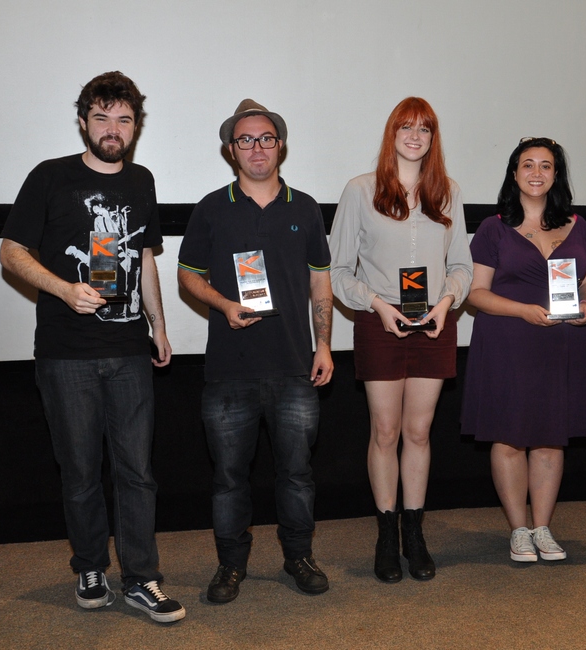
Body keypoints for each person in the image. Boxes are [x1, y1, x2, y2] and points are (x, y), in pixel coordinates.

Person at [0, 71, 184, 622]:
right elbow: (11, 251)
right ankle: (88, 565)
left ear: (135, 127)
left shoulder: (143, 181)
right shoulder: (50, 177)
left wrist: (160, 326)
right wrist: (62, 288)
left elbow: (147, 258)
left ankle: (142, 578)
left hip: (129, 349)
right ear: (83, 121)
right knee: (79, 470)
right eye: (101, 117)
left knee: (137, 471)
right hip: (65, 353)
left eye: (123, 119)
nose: (112, 128)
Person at [177, 99, 334, 602]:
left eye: (266, 137)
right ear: (231, 150)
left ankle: (299, 557)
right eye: (245, 139)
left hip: (294, 368)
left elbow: (321, 284)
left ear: (280, 145)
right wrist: (223, 304)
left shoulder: (305, 207)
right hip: (229, 372)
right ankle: (230, 567)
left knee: (297, 474)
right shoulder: (210, 207)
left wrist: (326, 345)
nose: (257, 147)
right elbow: (187, 275)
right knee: (228, 479)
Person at [329, 97, 472, 582]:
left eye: (425, 129)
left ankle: (415, 532)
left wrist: (447, 302)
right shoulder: (360, 191)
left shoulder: (447, 192)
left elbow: (462, 266)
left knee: (418, 433)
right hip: (379, 323)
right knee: (385, 432)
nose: (416, 136)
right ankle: (386, 533)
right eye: (406, 127)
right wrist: (377, 304)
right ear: (392, 134)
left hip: (434, 324)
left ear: (434, 139)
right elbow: (339, 272)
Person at [462, 138, 586, 563]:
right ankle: (518, 529)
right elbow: (475, 294)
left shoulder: (578, 226)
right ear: (514, 173)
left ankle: (542, 527)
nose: (536, 173)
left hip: (564, 342)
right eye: (528, 165)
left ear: (556, 174)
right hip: (508, 342)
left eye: (546, 165)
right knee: (508, 438)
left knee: (550, 439)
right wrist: (522, 311)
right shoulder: (492, 227)